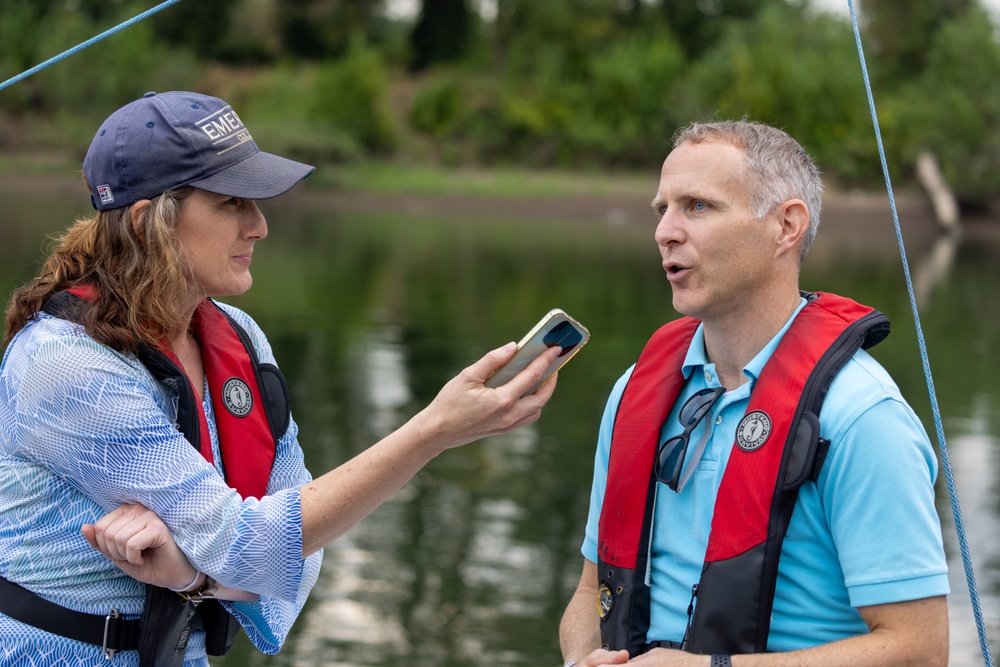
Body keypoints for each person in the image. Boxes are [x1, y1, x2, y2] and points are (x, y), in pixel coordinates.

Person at [0, 90, 562, 666]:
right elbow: (260, 544)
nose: (260, 226)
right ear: (150, 223)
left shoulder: (239, 335)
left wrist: (196, 574)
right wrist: (433, 432)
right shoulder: (67, 365)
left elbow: (299, 545)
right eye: (231, 203)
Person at [558, 120, 949, 667]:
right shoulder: (633, 393)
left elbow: (921, 652)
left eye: (697, 207)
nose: (664, 232)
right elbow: (588, 591)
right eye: (661, 209)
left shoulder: (862, 418)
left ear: (786, 226)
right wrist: (582, 661)